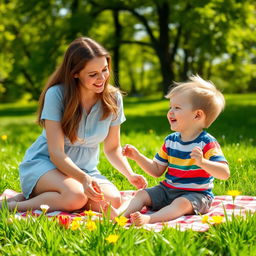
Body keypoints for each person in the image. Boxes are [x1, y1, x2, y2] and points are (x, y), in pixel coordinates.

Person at [1, 37, 147, 212]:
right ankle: (12, 206)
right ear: (75, 73)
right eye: (93, 74)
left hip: (85, 169)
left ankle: (47, 197)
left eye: (104, 70)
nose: (101, 78)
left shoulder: (114, 98)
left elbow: (112, 148)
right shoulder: (57, 94)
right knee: (75, 196)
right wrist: (83, 179)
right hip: (46, 164)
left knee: (112, 201)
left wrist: (130, 174)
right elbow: (56, 153)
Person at [105, 75, 230, 226]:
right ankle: (120, 215)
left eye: (177, 108)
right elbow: (156, 170)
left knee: (181, 204)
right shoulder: (171, 141)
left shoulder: (207, 143)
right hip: (168, 190)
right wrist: (137, 157)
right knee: (141, 194)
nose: (170, 112)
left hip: (196, 195)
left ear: (197, 115)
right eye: (170, 107)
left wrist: (203, 162)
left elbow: (224, 173)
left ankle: (149, 219)